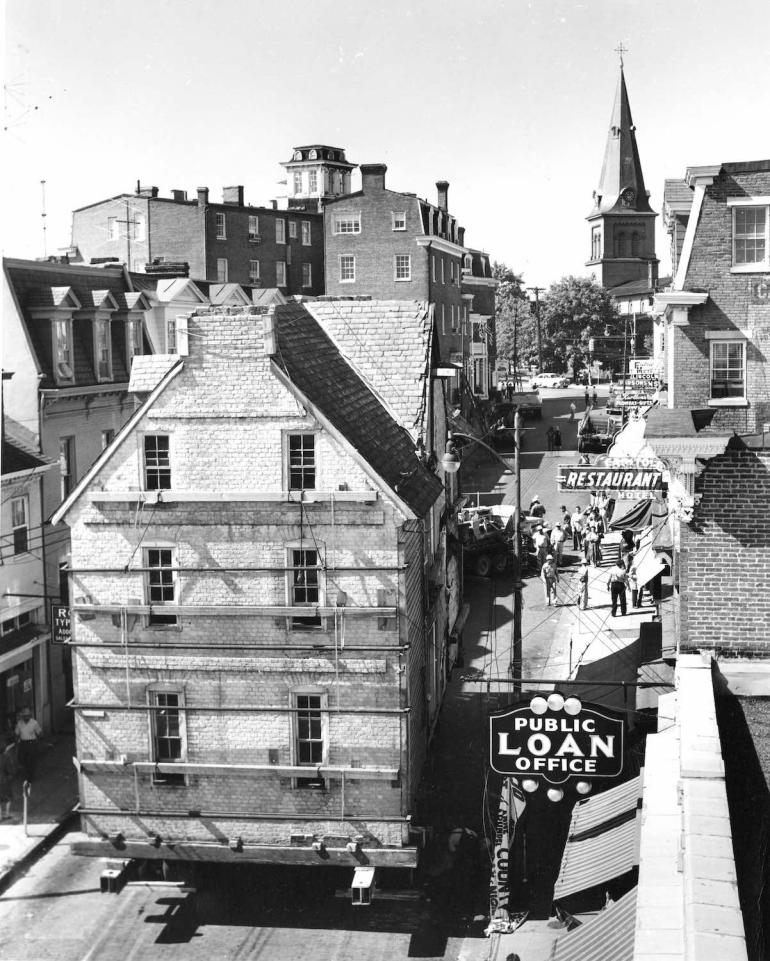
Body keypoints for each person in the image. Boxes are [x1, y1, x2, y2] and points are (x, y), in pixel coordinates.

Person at [15, 707, 42, 783]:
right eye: (25, 716)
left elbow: (39, 733)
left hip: (31, 743)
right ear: (22, 716)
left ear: (30, 716)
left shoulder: (34, 723)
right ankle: (26, 774)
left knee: (31, 760)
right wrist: (16, 742)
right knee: (23, 760)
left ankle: (31, 776)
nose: (26, 717)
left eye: (28, 716)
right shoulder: (19, 723)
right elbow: (16, 734)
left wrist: (37, 743)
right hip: (23, 744)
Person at [0, 738, 15, 821]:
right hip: (3, 780)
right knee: (8, 797)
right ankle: (7, 813)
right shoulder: (6, 757)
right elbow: (10, 770)